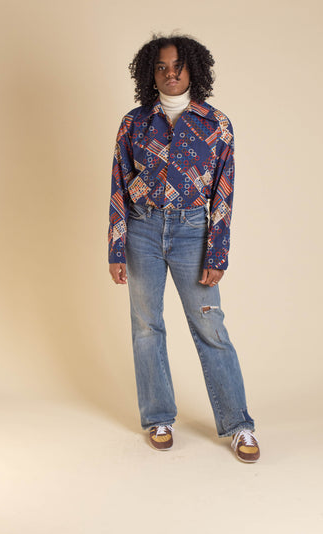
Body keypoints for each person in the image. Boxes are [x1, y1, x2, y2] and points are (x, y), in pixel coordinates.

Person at [108, 34, 260, 463]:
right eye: (161, 67)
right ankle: (158, 417)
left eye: (178, 66)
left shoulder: (216, 124)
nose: (170, 74)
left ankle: (238, 424)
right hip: (141, 229)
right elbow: (118, 185)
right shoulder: (134, 123)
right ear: (150, 73)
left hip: (193, 231)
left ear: (193, 69)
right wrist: (116, 247)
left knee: (210, 326)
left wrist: (217, 253)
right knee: (146, 326)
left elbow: (224, 193)